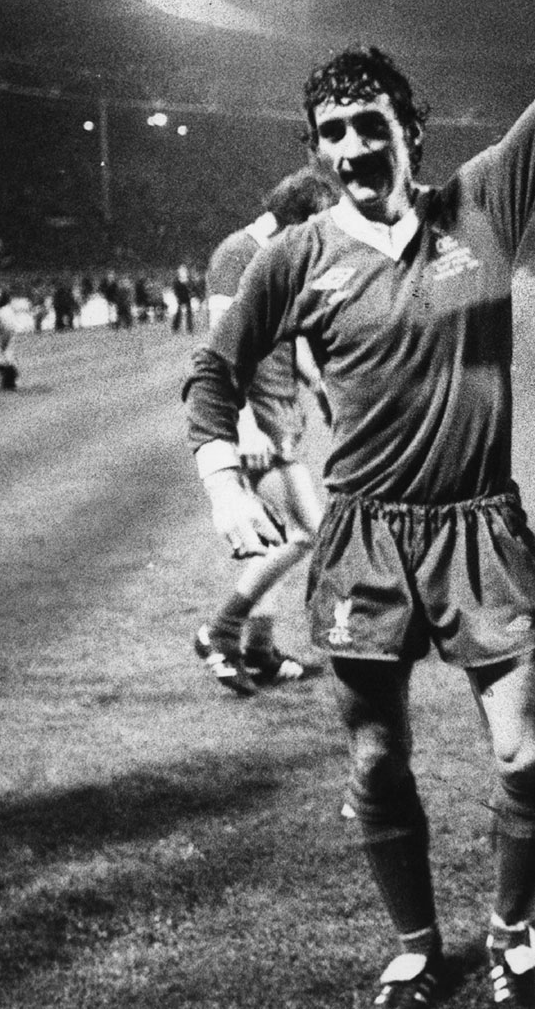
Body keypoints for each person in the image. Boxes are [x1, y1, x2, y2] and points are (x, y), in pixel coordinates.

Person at [184, 0, 535, 1009]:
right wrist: (223, 480)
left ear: (412, 132)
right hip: (362, 539)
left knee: (525, 759)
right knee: (373, 758)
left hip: (478, 533)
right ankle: (415, 946)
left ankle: (511, 935)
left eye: (373, 127)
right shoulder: (295, 257)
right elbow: (212, 374)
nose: (355, 147)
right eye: (334, 134)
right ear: (318, 152)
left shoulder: (478, 208)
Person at [191, 169, 337, 695]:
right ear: (297, 218)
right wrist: (245, 425)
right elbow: (221, 348)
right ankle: (220, 631)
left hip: (279, 412)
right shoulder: (238, 254)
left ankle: (259, 651)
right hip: (256, 420)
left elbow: (288, 337)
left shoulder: (279, 254)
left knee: (271, 537)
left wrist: (318, 385)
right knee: (307, 531)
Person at [172, 264, 196, 333]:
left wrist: (192, 295)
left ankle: (189, 329)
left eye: (184, 271)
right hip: (180, 298)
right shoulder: (177, 281)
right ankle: (175, 328)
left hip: (187, 298)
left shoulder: (189, 281)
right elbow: (175, 290)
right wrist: (177, 297)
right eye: (181, 271)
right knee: (178, 313)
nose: (183, 273)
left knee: (189, 313)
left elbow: (192, 289)